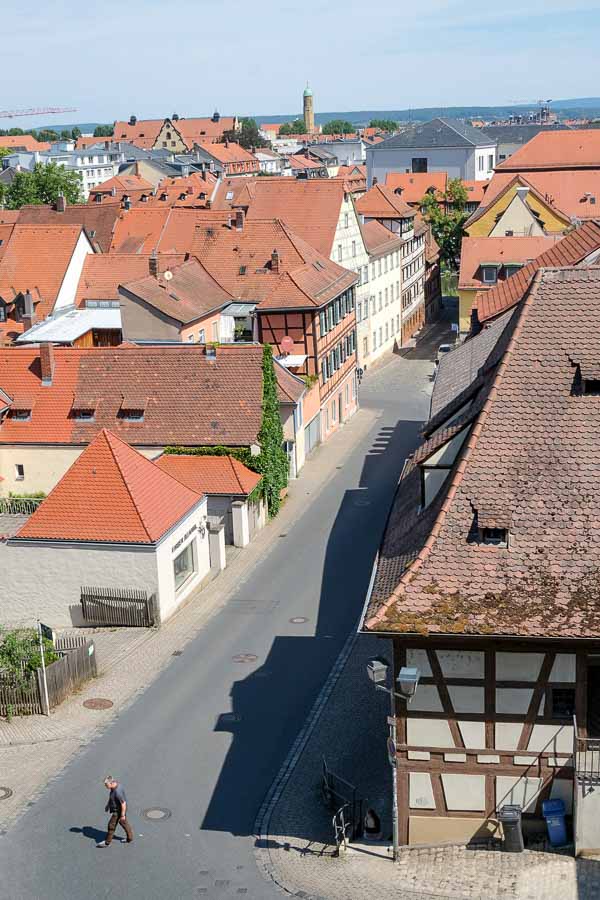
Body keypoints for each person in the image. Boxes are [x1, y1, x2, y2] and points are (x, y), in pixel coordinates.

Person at [97, 776, 134, 847]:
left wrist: (122, 815)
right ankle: (130, 838)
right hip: (118, 810)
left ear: (111, 783)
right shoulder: (116, 786)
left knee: (111, 825)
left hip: (118, 811)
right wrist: (108, 805)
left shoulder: (117, 792)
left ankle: (107, 842)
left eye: (106, 785)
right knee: (124, 823)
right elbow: (112, 797)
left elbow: (123, 804)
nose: (105, 786)